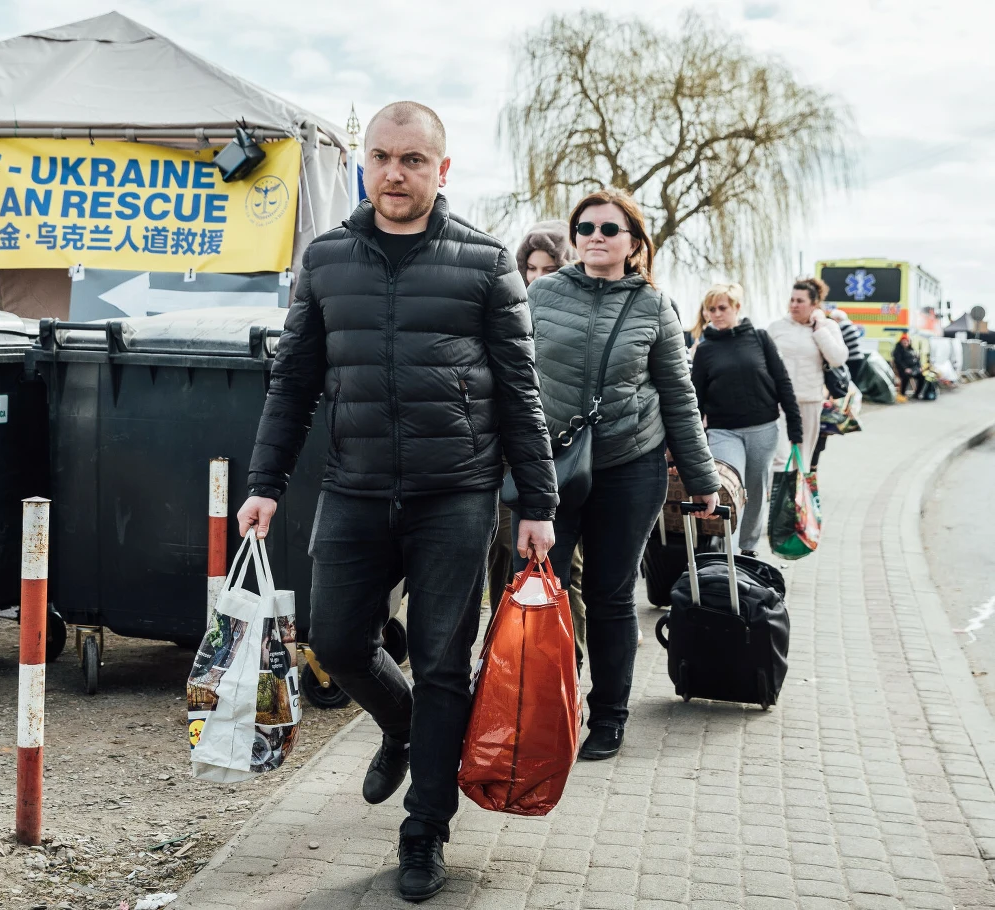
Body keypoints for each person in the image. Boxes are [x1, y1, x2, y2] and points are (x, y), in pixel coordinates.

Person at [236, 101, 558, 903]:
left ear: (441, 170)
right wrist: (264, 484)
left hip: (457, 494)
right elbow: (293, 383)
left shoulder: (486, 263)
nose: (394, 173)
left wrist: (537, 505)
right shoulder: (326, 259)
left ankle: (425, 830)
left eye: (413, 160)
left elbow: (522, 393)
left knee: (445, 663)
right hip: (355, 487)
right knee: (336, 639)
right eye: (381, 157)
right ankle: (403, 725)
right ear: (365, 164)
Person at [528, 188, 718, 762]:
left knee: (610, 597)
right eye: (585, 228)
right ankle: (546, 710)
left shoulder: (654, 306)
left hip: (629, 466)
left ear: (634, 243)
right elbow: (512, 378)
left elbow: (678, 395)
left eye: (609, 229)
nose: (595, 237)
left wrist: (701, 476)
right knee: (540, 590)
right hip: (553, 467)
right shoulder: (541, 294)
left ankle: (609, 716)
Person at [488, 222, 586, 672]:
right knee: (503, 562)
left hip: (557, 459)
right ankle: (502, 664)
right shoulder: (503, 310)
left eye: (549, 269)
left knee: (561, 570)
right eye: (531, 267)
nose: (537, 277)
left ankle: (566, 668)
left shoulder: (570, 318)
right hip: (504, 457)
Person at [690, 283, 802, 557]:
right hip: (723, 431)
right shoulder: (705, 350)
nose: (716, 314)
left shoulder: (760, 338)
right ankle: (726, 551)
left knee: (755, 489)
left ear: (737, 307)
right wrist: (691, 439)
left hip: (763, 428)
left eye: (722, 308)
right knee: (728, 489)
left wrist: (795, 425)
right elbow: (696, 398)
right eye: (711, 309)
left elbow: (782, 382)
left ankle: (748, 549)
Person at [768, 278, 848, 470]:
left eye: (800, 301)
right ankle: (778, 489)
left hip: (809, 401)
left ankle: (798, 489)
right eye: (792, 300)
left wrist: (819, 331)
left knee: (802, 459)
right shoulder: (777, 327)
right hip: (779, 402)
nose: (794, 305)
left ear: (814, 304)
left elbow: (838, 358)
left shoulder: (828, 327)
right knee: (780, 458)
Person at [892, 333, 923, 401]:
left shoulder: (911, 349)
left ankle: (917, 394)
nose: (905, 342)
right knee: (905, 377)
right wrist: (905, 368)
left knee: (922, 377)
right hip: (902, 369)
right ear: (901, 341)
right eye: (904, 341)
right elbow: (898, 361)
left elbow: (917, 360)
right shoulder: (898, 350)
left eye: (907, 341)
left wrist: (919, 367)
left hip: (913, 369)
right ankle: (902, 394)